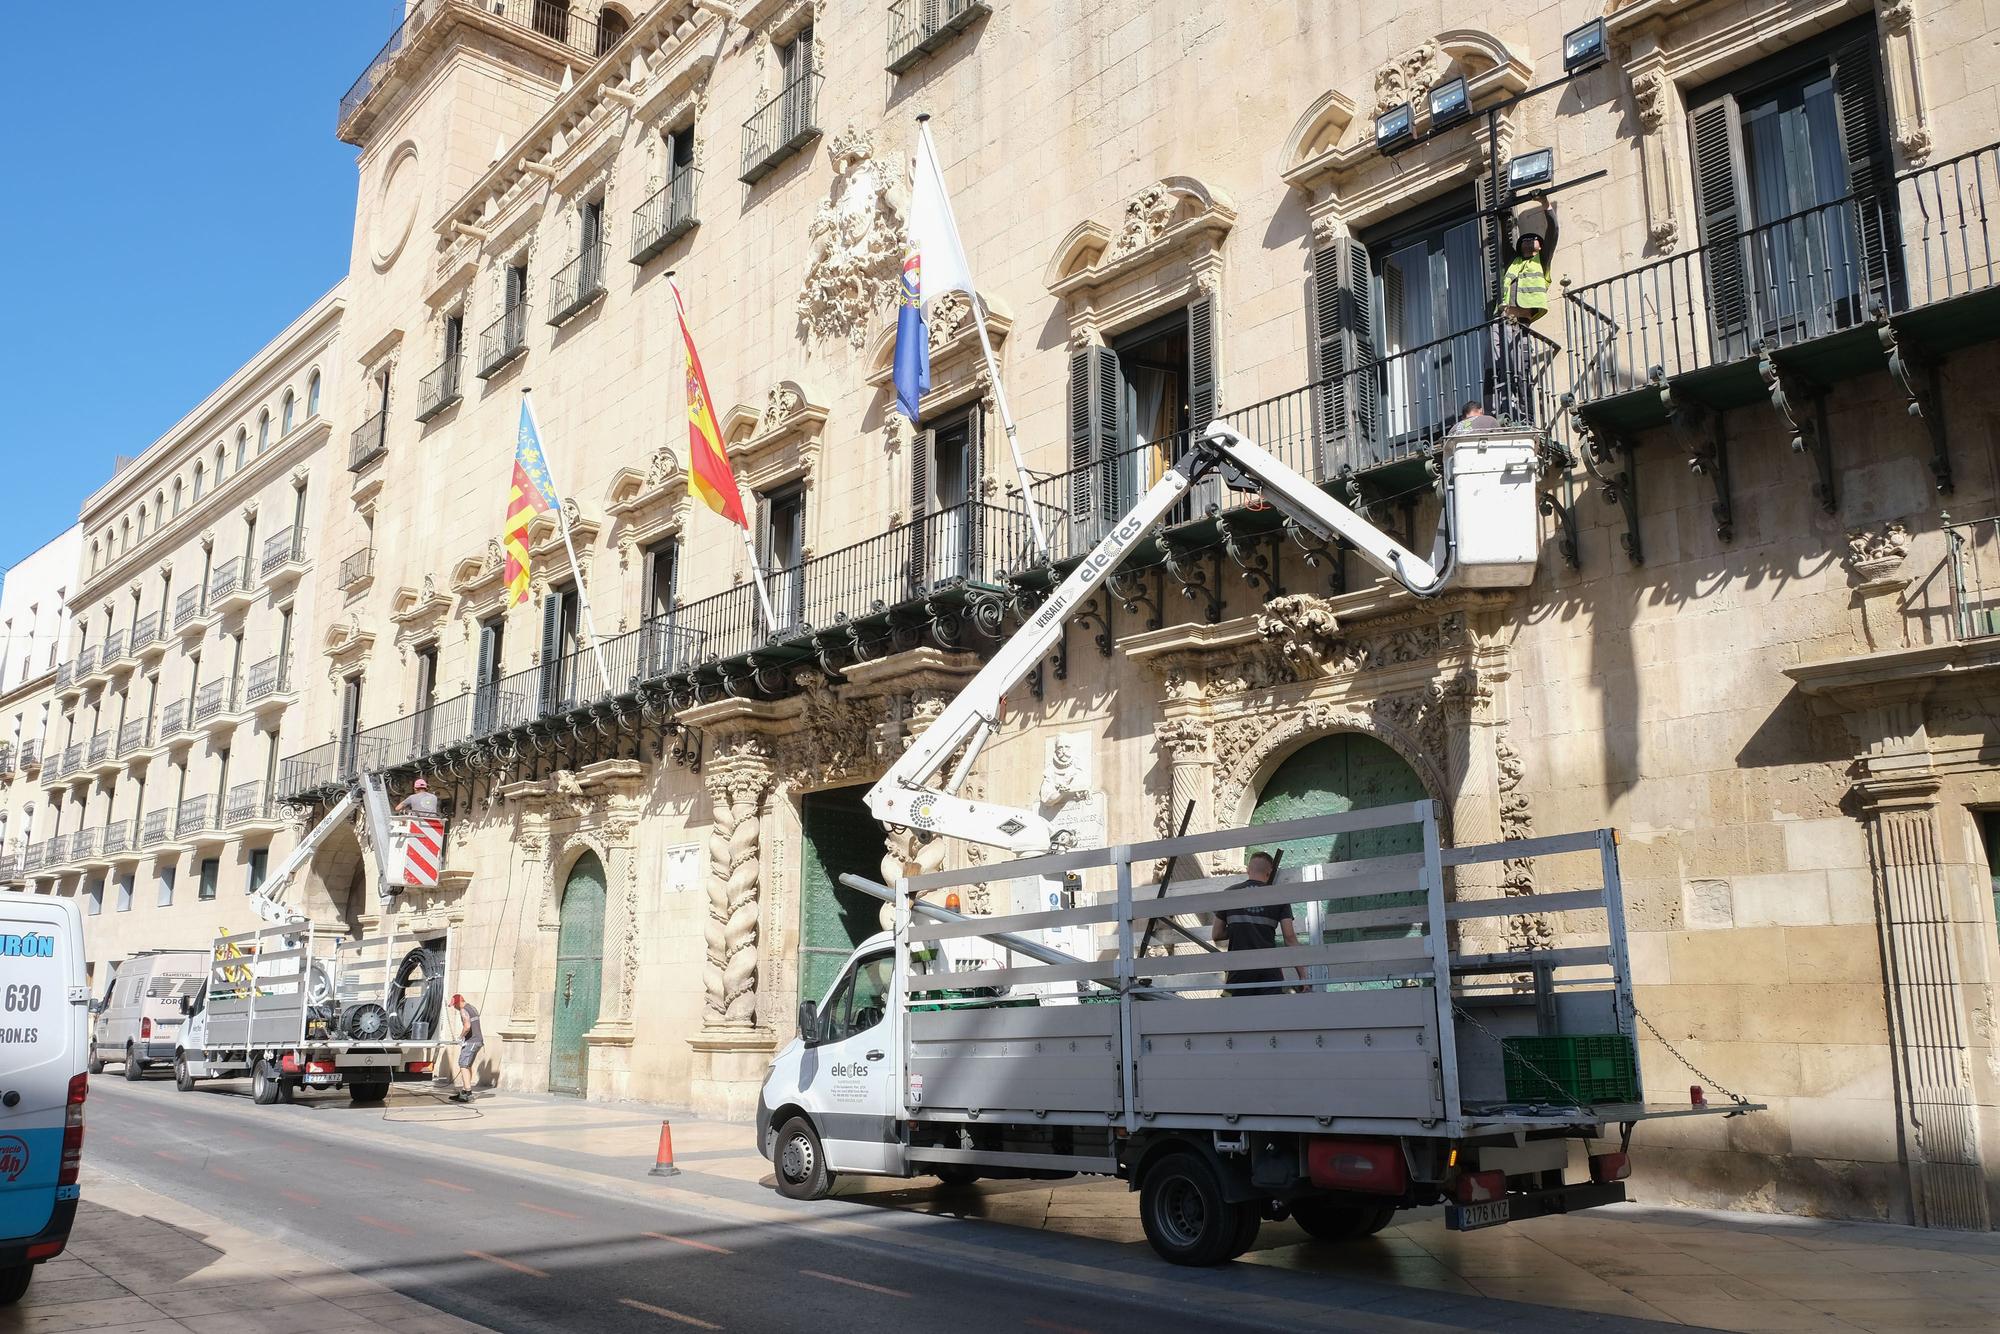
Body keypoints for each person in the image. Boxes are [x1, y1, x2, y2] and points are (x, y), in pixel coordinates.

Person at [1492, 200, 1559, 425]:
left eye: (1533, 240)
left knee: (1520, 369)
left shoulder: (1542, 261)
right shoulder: (1513, 262)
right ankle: (1502, 410)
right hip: (1501, 321)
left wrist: (1544, 204)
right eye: (1524, 241)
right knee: (1500, 368)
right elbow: (1503, 242)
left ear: (1540, 246)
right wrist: (1503, 219)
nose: (1528, 242)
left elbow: (1554, 231)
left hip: (1520, 323)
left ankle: (1525, 415)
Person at [1211, 851, 1303, 996]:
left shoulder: (1228, 893)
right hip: (1269, 971)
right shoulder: (1279, 897)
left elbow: (1216, 934)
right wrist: (1303, 977)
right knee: (1269, 1015)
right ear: (1270, 872)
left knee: (1238, 1014)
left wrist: (1238, 927)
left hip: (1239, 971)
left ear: (1248, 870)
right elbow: (1290, 938)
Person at [448, 993, 482, 1103]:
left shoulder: (463, 1010)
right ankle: (463, 1092)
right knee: (467, 1066)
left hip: (471, 1042)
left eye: (454, 1005)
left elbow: (467, 1026)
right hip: (477, 1041)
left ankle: (468, 1093)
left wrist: (460, 1037)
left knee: (463, 1065)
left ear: (459, 1002)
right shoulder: (472, 1007)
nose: (455, 1007)